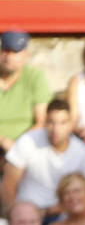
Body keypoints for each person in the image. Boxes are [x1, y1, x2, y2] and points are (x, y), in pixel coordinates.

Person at [1, 98, 85, 218]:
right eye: (51, 122)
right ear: (45, 122)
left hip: (64, 216)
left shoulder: (81, 151)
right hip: (28, 213)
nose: (56, 129)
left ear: (71, 124)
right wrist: (14, 216)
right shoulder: (28, 140)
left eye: (63, 123)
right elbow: (9, 182)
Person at [0, 32, 50, 160]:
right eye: (6, 51)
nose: (9, 57)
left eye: (15, 52)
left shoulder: (35, 77)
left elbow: (42, 121)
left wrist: (18, 147)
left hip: (26, 147)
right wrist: (4, 141)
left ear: (25, 55)